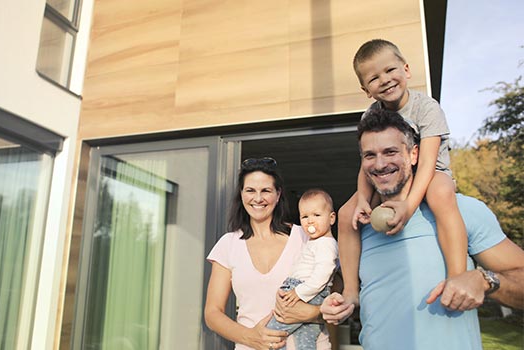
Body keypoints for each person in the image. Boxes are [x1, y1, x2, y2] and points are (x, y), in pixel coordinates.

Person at [320, 109, 524, 349]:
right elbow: (350, 293)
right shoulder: (360, 224)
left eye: (390, 152)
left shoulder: (462, 211)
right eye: (369, 155)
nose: (380, 164)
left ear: (414, 154)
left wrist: (486, 280)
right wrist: (338, 302)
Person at [338, 39, 468, 310]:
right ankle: (351, 290)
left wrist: (407, 206)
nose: (384, 80)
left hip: (431, 172)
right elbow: (367, 162)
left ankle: (458, 275)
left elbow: (429, 161)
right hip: (389, 176)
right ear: (366, 90)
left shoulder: (427, 108)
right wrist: (363, 198)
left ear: (406, 69)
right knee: (346, 214)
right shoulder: (370, 115)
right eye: (374, 78)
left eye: (390, 70)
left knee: (441, 193)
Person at [204, 157, 331, 350]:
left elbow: (338, 299)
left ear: (278, 194)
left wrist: (313, 312)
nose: (258, 198)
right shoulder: (228, 244)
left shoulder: (306, 236)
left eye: (266, 191)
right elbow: (212, 313)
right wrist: (250, 337)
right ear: (241, 194)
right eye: (250, 190)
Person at [266, 189, 339, 350]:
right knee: (304, 342)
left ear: (331, 218)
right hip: (308, 292)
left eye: (316, 215)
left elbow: (323, 274)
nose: (310, 221)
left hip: (308, 292)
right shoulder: (316, 242)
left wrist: (299, 292)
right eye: (305, 217)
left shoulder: (325, 244)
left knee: (272, 334)